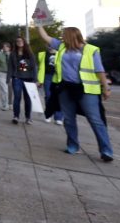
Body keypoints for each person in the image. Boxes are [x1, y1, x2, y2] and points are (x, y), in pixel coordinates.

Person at [36, 25, 114, 161]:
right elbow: (45, 37)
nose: (61, 38)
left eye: (63, 35)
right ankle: (72, 146)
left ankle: (106, 150)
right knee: (69, 119)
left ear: (71, 36)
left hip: (86, 90)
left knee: (95, 120)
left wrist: (105, 87)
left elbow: (99, 70)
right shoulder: (61, 47)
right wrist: (38, 23)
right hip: (65, 88)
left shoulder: (91, 50)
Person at [8, 36, 37, 124]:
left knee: (27, 99)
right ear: (16, 43)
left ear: (24, 42)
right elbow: (10, 67)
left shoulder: (29, 53)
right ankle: (16, 116)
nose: (19, 42)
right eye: (17, 41)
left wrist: (35, 80)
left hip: (28, 79)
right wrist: (8, 78)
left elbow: (34, 67)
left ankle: (28, 117)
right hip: (17, 78)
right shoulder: (13, 54)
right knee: (17, 97)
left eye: (21, 41)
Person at [37, 46, 63, 125]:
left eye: (51, 44)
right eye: (48, 44)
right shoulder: (43, 54)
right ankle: (48, 115)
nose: (50, 46)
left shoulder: (60, 54)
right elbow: (41, 68)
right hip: (47, 77)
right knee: (48, 96)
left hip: (58, 77)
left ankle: (58, 117)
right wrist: (40, 80)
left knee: (58, 97)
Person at [0, 42, 11, 110]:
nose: (5, 48)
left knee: (9, 90)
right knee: (4, 90)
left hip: (10, 74)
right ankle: (5, 105)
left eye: (6, 47)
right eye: (4, 47)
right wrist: (0, 70)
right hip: (2, 73)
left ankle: (9, 103)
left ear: (9, 48)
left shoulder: (12, 55)